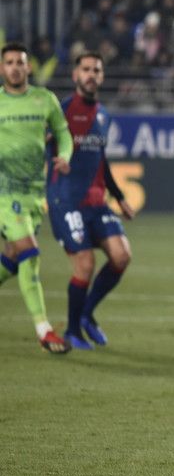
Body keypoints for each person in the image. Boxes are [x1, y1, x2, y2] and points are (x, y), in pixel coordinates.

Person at [46, 51, 135, 350]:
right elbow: (42, 147)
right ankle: (72, 330)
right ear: (75, 75)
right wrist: (54, 159)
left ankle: (85, 315)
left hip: (97, 201)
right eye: (85, 69)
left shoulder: (103, 114)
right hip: (66, 200)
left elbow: (101, 158)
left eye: (96, 70)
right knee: (85, 264)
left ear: (102, 76)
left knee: (122, 256)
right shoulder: (61, 111)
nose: (91, 75)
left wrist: (119, 196)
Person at [0, 42, 73, 354]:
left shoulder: (45, 99)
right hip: (5, 192)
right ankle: (44, 331)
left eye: (21, 62)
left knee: (14, 259)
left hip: (34, 192)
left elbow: (63, 132)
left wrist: (65, 155)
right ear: (2, 69)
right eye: (10, 62)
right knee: (30, 252)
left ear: (28, 67)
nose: (16, 67)